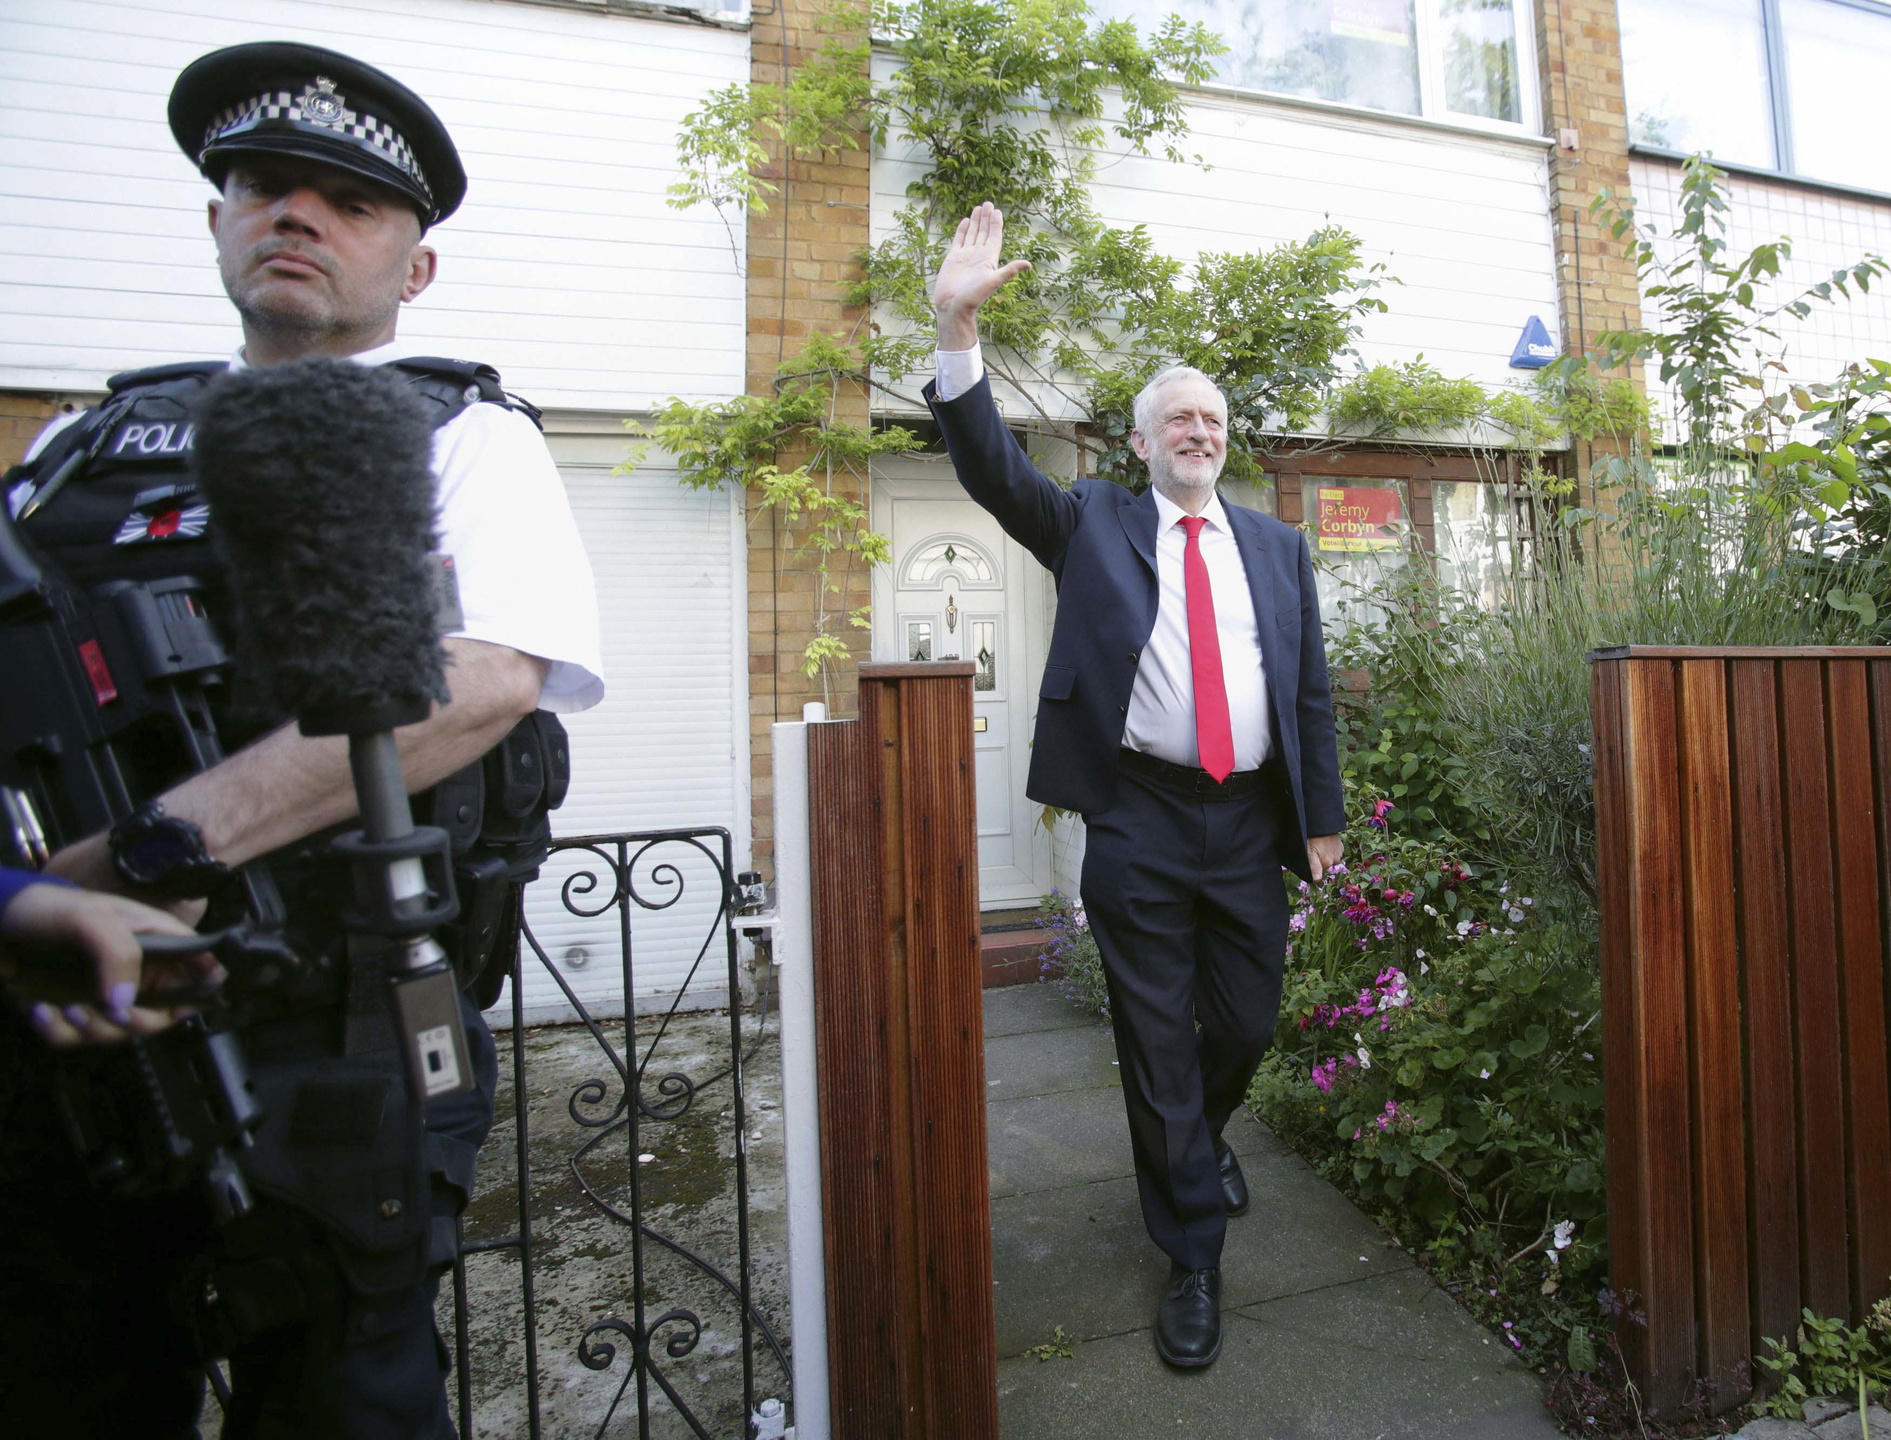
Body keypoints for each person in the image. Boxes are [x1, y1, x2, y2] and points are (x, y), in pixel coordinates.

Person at [0, 42, 602, 1437]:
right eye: (265, 186)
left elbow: (482, 678)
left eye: (349, 203)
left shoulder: (462, 434)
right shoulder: (87, 445)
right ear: (214, 216)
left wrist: (138, 856)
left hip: (329, 1036)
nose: (298, 218)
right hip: (65, 1024)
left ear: (414, 264)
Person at [927, 204, 1345, 1369]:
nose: (1197, 430)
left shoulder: (1276, 546)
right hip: (1143, 816)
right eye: (1176, 417)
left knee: (1244, 1023)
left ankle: (1191, 1149)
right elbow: (991, 469)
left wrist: (1321, 819)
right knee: (1157, 1042)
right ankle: (1194, 1255)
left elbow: (1305, 688)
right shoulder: (1092, 522)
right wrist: (956, 333)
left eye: (1211, 416)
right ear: (1141, 438)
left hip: (1249, 816)